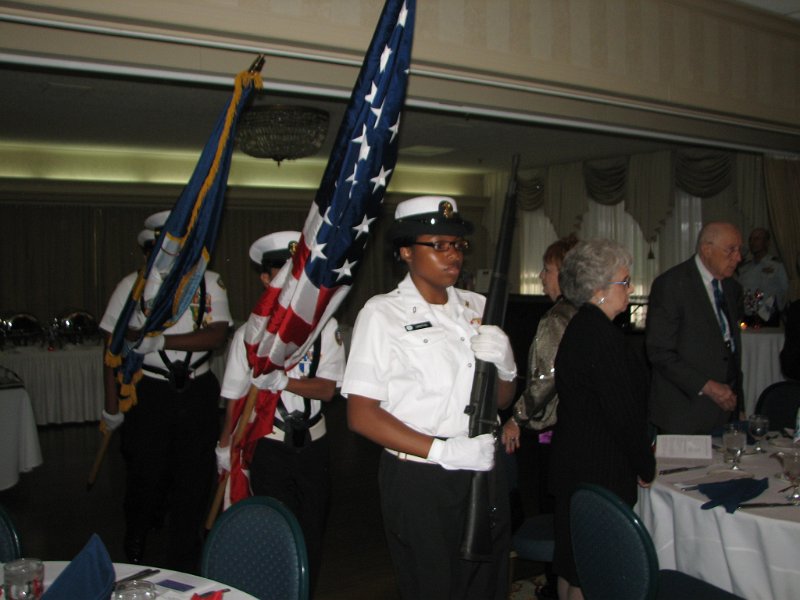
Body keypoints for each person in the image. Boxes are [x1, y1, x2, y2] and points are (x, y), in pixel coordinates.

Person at [341, 196, 518, 600]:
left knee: (487, 584)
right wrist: (442, 451)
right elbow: (361, 415)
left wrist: (507, 368)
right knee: (434, 585)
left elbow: (501, 400)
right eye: (437, 244)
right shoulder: (382, 313)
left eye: (457, 245)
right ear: (406, 251)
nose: (452, 254)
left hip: (483, 466)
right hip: (420, 476)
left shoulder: (479, 307)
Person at [99, 210, 233, 572]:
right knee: (146, 470)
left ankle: (185, 547)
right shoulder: (133, 286)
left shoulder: (210, 282)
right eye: (165, 246)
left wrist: (160, 340)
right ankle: (138, 530)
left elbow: (217, 334)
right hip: (149, 391)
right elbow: (111, 348)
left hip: (196, 388)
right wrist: (111, 406)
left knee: (195, 474)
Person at [215, 231, 345, 595]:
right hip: (269, 445)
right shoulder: (249, 334)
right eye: (283, 274)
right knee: (276, 530)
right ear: (266, 278)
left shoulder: (326, 329)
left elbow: (328, 389)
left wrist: (281, 382)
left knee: (312, 531)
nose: (292, 284)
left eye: (299, 277)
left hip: (313, 448)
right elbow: (234, 397)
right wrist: (226, 446)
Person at [549, 239, 655, 600]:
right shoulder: (602, 337)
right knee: (594, 570)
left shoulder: (580, 327)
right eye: (624, 282)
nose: (631, 290)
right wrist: (645, 464)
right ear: (599, 290)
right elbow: (623, 414)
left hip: (574, 463)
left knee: (573, 563)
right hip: (600, 469)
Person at [501, 234, 578, 600]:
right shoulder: (588, 312)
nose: (541, 277)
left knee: (555, 513)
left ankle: (554, 583)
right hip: (580, 431)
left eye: (547, 270)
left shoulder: (556, 319)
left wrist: (517, 416)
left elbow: (545, 378)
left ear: (564, 274)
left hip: (554, 434)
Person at [647, 222, 744, 434]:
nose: (738, 258)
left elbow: (731, 352)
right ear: (706, 249)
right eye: (731, 250)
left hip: (725, 410)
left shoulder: (731, 287)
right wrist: (709, 387)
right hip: (684, 412)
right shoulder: (672, 285)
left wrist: (739, 404)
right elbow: (660, 352)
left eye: (739, 250)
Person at [737, 227, 788, 326]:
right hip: (748, 317)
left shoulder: (776, 266)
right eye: (750, 239)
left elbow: (785, 291)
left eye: (757, 239)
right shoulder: (745, 268)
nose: (752, 242)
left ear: (767, 242)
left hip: (768, 316)